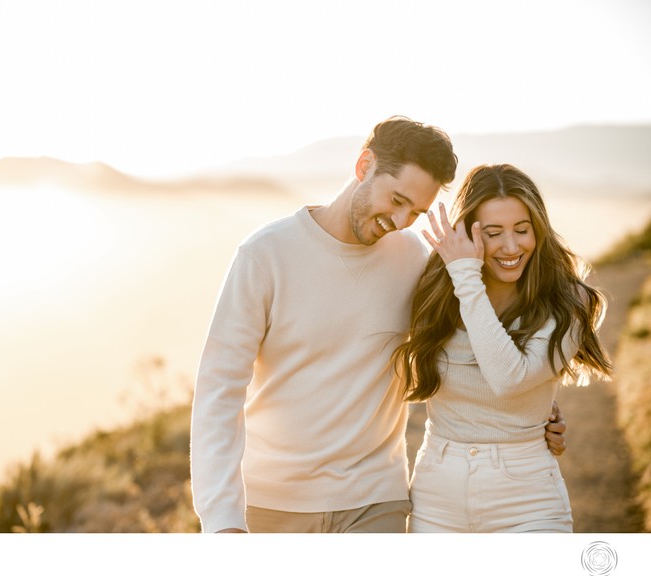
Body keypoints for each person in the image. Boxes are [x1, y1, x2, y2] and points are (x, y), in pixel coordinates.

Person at [190, 117, 567, 533]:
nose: (402, 220)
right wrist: (221, 516)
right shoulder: (265, 255)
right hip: (271, 502)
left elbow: (474, 341)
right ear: (364, 165)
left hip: (376, 502)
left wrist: (533, 412)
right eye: (397, 199)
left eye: (417, 211)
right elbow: (219, 390)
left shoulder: (417, 261)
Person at [394, 164, 611, 533]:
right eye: (493, 233)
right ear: (467, 233)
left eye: (522, 230)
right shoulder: (434, 291)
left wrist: (466, 278)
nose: (511, 247)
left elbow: (510, 379)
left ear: (538, 230)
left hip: (527, 497)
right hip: (437, 494)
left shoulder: (568, 301)